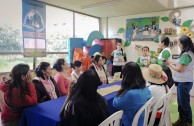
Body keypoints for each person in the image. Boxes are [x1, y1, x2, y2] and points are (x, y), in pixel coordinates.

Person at [165, 35, 194, 126]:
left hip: (184, 82)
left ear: (184, 44)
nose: (179, 45)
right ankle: (182, 120)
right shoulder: (187, 53)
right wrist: (172, 63)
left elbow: (179, 69)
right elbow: (180, 64)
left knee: (184, 103)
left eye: (180, 43)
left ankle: (187, 121)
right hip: (183, 82)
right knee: (181, 103)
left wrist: (169, 64)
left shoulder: (186, 54)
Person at [113, 62, 152, 126]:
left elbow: (115, 103)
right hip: (142, 121)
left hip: (130, 123)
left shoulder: (130, 94)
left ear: (126, 76)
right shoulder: (145, 88)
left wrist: (122, 90)